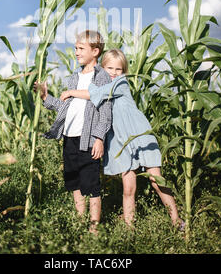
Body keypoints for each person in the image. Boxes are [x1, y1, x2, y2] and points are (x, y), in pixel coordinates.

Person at [60, 48, 184, 230]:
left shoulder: (120, 84)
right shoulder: (100, 84)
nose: (114, 73)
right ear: (102, 68)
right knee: (128, 188)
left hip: (140, 137)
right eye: (109, 68)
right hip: (120, 143)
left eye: (119, 69)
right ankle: (129, 228)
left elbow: (93, 94)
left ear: (124, 72)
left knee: (156, 181)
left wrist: (71, 92)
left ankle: (177, 221)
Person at [35, 30, 112, 235]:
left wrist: (99, 138)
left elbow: (105, 111)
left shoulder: (101, 76)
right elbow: (63, 107)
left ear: (95, 51)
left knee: (91, 184)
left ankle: (94, 229)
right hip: (69, 137)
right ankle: (80, 222)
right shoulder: (73, 77)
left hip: (87, 140)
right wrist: (45, 97)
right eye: (76, 48)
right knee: (74, 182)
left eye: (81, 48)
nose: (76, 52)